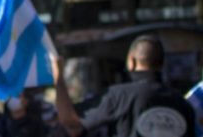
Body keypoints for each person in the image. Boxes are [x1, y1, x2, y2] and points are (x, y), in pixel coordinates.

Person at [54, 34, 196, 137]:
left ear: (131, 62)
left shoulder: (119, 96)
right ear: (162, 64)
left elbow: (71, 123)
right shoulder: (183, 104)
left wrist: (58, 78)